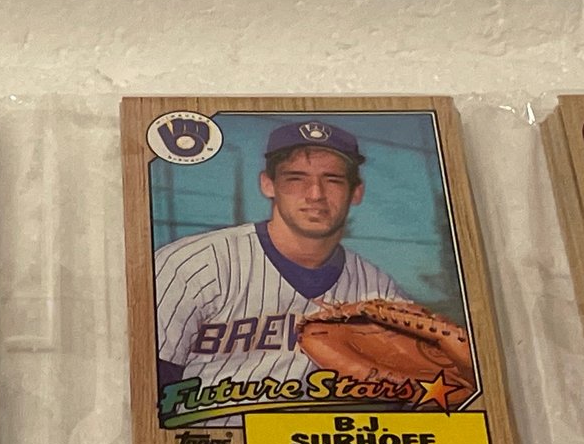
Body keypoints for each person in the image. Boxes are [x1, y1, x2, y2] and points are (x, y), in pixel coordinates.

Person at [153, 120, 423, 406]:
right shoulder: (193, 267)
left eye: (333, 180)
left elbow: (415, 392)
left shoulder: (380, 291)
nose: (315, 194)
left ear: (356, 192)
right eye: (296, 179)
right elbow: (145, 393)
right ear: (268, 184)